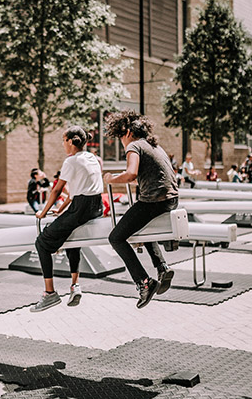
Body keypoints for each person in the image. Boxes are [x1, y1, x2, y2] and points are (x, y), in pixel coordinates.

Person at [103, 111, 179, 309]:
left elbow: (131, 173)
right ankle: (162, 267)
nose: (121, 141)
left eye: (120, 136)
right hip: (171, 199)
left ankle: (144, 282)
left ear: (127, 132)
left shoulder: (134, 145)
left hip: (154, 201)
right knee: (140, 228)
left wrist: (110, 179)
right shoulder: (154, 146)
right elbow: (150, 173)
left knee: (116, 238)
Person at [30, 126, 103, 312]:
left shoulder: (71, 161)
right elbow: (76, 191)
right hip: (96, 207)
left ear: (71, 141)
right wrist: (61, 209)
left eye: (63, 141)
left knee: (41, 243)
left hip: (81, 209)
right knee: (72, 239)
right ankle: (74, 285)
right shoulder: (91, 157)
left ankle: (49, 293)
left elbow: (57, 189)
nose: (63, 144)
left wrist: (43, 212)